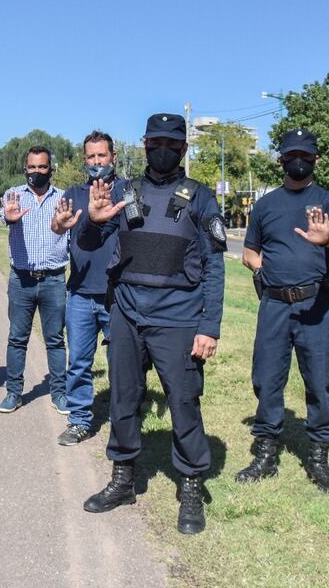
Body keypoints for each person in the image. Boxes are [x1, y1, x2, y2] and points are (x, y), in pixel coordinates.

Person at [77, 114, 226, 536]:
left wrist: (208, 326)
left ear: (183, 149)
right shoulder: (122, 191)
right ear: (144, 144)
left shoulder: (200, 198)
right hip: (127, 312)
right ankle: (123, 479)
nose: (163, 149)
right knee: (124, 398)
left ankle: (191, 486)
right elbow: (88, 245)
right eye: (155, 141)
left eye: (171, 143)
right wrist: (93, 218)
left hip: (178, 317)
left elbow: (215, 268)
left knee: (183, 401)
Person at [237, 129, 329, 493]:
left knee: (319, 379)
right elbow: (249, 253)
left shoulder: (328, 200)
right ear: (281, 159)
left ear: (316, 159)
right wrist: (260, 269)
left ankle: (319, 458)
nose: (297, 160)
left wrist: (326, 237)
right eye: (290, 155)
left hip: (315, 305)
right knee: (267, 379)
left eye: (305, 154)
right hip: (274, 305)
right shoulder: (266, 206)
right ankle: (265, 454)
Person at [49, 130, 118, 446]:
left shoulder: (128, 192)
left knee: (123, 361)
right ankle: (79, 420)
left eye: (101, 156)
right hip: (79, 292)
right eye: (90, 157)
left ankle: (123, 419)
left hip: (118, 294)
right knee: (78, 361)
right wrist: (58, 226)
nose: (96, 162)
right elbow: (57, 225)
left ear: (112, 157)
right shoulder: (73, 194)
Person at [0, 145, 69, 414]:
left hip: (53, 280)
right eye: (32, 167)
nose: (36, 172)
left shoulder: (63, 198)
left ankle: (59, 393)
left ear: (51, 168)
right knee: (17, 338)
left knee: (55, 339)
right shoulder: (13, 195)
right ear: (25, 168)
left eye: (42, 167)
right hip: (21, 279)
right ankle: (14, 392)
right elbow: (7, 217)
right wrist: (9, 216)